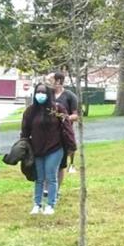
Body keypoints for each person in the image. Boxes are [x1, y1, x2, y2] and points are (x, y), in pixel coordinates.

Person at [21, 83, 76, 215]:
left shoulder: (58, 109)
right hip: (37, 149)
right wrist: (23, 146)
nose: (41, 95)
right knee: (39, 178)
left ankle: (50, 204)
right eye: (38, 92)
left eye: (43, 92)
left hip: (55, 148)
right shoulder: (30, 111)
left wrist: (71, 145)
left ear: (49, 94)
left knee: (51, 176)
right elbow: (25, 131)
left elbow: (66, 127)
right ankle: (37, 204)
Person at [52, 72, 79, 187]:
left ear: (58, 81)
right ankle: (47, 188)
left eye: (50, 79)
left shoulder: (70, 96)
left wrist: (65, 117)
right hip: (47, 134)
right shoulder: (48, 94)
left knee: (60, 164)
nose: (47, 81)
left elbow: (76, 116)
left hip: (63, 134)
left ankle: (57, 189)